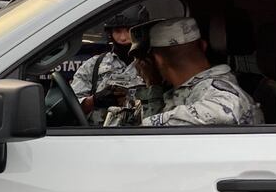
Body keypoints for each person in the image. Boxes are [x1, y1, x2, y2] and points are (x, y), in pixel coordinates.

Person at [105, 17, 261, 127]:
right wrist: (154, 85)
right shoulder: (192, 90)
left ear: (157, 60)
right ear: (203, 46)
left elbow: (147, 140)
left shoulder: (219, 101)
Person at [71, 5, 147, 116]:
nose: (123, 38)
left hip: (146, 131)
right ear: (110, 33)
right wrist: (95, 100)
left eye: (129, 30)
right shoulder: (93, 66)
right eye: (117, 31)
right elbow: (70, 108)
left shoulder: (155, 64)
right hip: (103, 132)